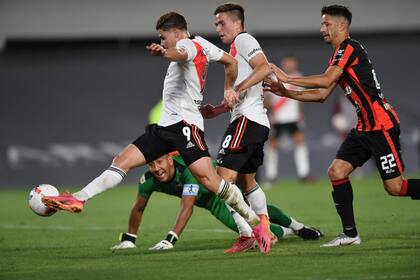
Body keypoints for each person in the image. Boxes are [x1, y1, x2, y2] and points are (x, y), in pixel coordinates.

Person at [42, 12, 272, 254]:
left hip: (185, 126)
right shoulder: (203, 43)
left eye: (164, 38)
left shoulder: (186, 45)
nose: (162, 42)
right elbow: (231, 63)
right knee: (121, 161)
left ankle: (257, 225)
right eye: (161, 40)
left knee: (211, 181)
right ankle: (79, 198)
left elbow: (180, 53)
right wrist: (227, 88)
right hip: (165, 128)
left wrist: (165, 53)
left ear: (176, 32)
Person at [264, 5, 420, 247]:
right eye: (322, 24)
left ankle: (350, 233)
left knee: (395, 186)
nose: (322, 28)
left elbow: (325, 80)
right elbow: (322, 94)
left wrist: (287, 78)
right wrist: (286, 92)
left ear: (341, 26)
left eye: (326, 24)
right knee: (336, 171)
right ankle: (350, 234)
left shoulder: (349, 48)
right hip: (364, 128)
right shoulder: (339, 54)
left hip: (381, 126)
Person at [110, 154, 323, 253]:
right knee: (249, 224)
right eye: (151, 164)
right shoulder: (148, 181)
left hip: (223, 186)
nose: (156, 168)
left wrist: (170, 240)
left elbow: (187, 206)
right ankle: (291, 231)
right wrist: (130, 238)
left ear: (170, 159)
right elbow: (138, 208)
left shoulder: (188, 172)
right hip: (212, 203)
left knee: (256, 211)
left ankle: (297, 227)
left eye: (159, 162)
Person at [200, 3, 273, 253]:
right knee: (247, 182)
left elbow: (265, 67)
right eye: (216, 24)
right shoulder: (233, 51)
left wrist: (236, 89)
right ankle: (267, 232)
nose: (218, 28)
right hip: (254, 121)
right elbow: (240, 94)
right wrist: (219, 110)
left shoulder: (243, 39)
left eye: (222, 23)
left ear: (237, 23)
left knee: (221, 181)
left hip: (247, 121)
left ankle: (248, 234)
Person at [264, 55, 313, 185]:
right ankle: (271, 176)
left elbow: (301, 99)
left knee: (300, 143)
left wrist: (301, 116)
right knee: (272, 146)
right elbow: (268, 99)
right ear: (283, 64)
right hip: (278, 118)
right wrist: (271, 113)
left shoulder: (299, 77)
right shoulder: (274, 77)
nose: (289, 65)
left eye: (292, 63)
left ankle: (304, 174)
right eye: (287, 63)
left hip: (294, 118)